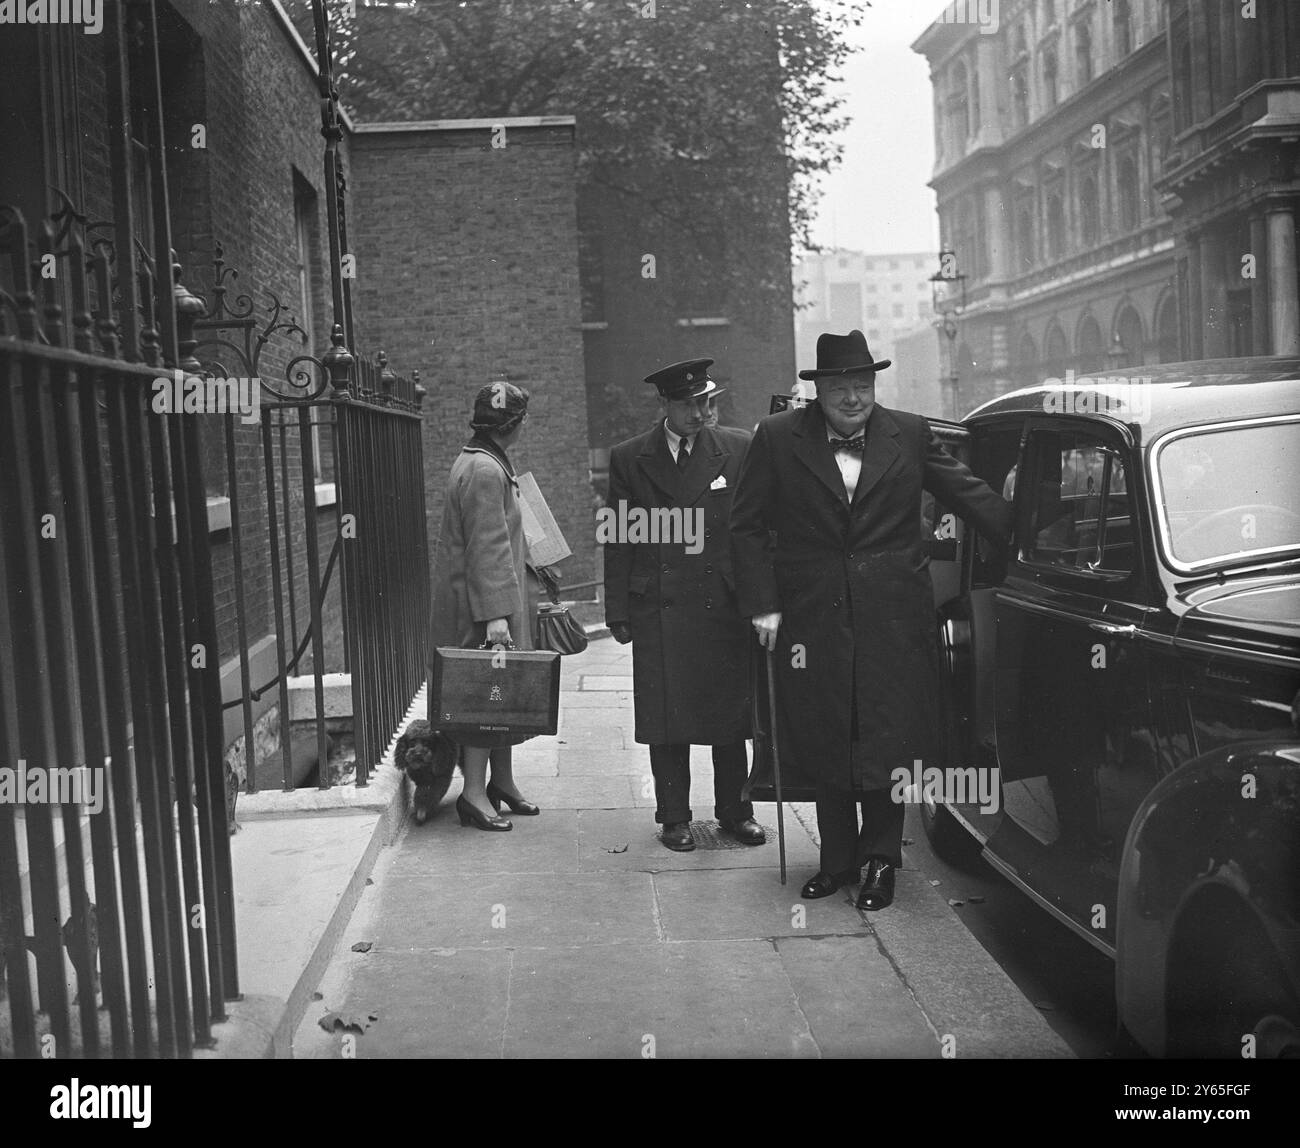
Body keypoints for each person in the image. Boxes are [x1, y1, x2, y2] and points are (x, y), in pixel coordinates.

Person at [730, 331, 1011, 908]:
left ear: (874, 385)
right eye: (840, 389)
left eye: (863, 386)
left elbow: (967, 494)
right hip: (812, 617)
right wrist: (764, 603)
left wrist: (1022, 539)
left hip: (894, 616)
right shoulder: (779, 438)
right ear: (818, 391)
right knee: (829, 730)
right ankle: (835, 861)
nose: (853, 399)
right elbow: (746, 525)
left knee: (888, 735)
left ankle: (882, 860)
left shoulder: (907, 433)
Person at [604, 358, 765, 852]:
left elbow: (755, 531)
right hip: (660, 606)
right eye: (689, 404)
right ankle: (674, 817)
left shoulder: (737, 449)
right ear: (666, 404)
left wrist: (760, 600)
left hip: (722, 605)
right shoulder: (631, 458)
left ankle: (736, 811)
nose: (699, 413)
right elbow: (619, 536)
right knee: (667, 717)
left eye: (706, 402)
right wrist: (618, 609)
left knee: (729, 717)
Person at [429, 381, 541, 832]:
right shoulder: (486, 471)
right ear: (512, 425)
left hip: (484, 598)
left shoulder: (481, 461)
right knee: (486, 695)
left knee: (503, 692)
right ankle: (474, 795)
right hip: (483, 607)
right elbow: (487, 547)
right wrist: (496, 616)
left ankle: (503, 783)